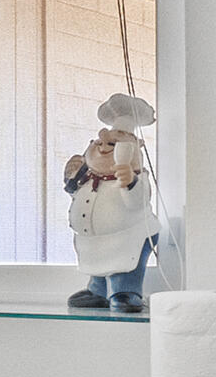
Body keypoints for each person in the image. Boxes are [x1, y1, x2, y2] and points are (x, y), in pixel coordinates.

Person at [64, 92, 159, 313]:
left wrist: (128, 178)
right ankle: (98, 290)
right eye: (101, 141)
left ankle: (126, 291)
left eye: (114, 143)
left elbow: (137, 202)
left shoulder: (134, 175)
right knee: (99, 260)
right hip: (95, 241)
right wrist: (72, 177)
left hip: (129, 237)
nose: (104, 146)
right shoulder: (89, 175)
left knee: (124, 265)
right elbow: (74, 192)